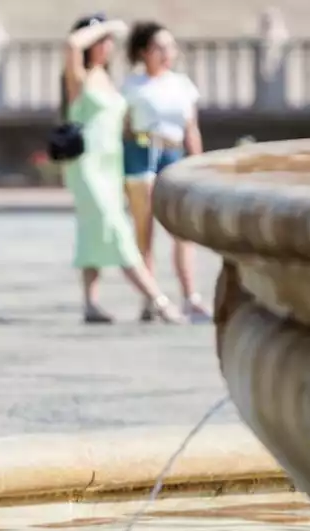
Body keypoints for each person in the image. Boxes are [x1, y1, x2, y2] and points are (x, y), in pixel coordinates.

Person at [61, 14, 182, 325]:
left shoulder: (108, 78)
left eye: (109, 42)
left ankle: (90, 302)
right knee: (116, 229)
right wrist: (106, 26)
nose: (107, 46)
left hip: (111, 164)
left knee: (93, 231)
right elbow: (72, 44)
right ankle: (159, 299)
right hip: (86, 164)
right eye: (101, 42)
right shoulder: (79, 76)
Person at [121, 21, 212, 324]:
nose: (167, 53)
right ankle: (151, 297)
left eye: (170, 47)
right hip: (142, 152)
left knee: (182, 231)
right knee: (144, 229)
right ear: (144, 51)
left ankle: (191, 296)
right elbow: (122, 127)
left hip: (173, 153)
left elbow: (191, 128)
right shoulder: (132, 86)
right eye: (160, 47)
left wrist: (198, 164)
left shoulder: (181, 84)